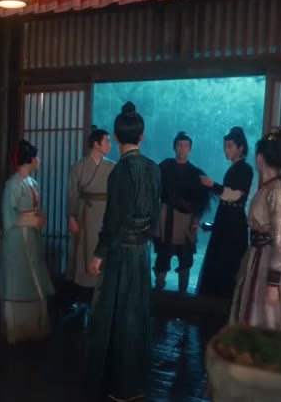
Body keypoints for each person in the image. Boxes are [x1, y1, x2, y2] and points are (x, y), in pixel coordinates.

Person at [87, 102, 161, 401]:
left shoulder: (119, 172)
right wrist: (144, 237)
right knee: (137, 313)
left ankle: (118, 383)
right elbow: (155, 213)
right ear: (142, 136)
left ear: (116, 137)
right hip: (141, 251)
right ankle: (136, 382)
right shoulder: (153, 168)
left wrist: (99, 253)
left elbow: (114, 219)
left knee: (116, 315)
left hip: (120, 253)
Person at [229, 128, 281, 331]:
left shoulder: (277, 191)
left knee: (266, 317)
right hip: (258, 257)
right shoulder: (268, 188)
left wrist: (274, 283)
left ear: (260, 157)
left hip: (269, 262)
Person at [0, 139, 55, 344]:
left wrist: (38, 217)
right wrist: (30, 219)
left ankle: (34, 327)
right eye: (36, 157)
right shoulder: (13, 183)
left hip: (31, 235)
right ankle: (16, 329)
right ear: (29, 159)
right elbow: (7, 213)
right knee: (18, 278)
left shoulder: (31, 182)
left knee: (34, 275)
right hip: (17, 237)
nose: (39, 160)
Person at [198, 127, 254, 299]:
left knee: (229, 263)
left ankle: (225, 303)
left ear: (241, 148)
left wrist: (212, 185)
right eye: (225, 146)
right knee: (218, 262)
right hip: (225, 220)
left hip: (234, 224)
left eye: (230, 146)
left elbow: (234, 195)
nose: (226, 150)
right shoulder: (233, 169)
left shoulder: (246, 169)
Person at [153, 132, 211, 292]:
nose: (182, 148)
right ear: (174, 147)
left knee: (185, 258)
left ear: (190, 149)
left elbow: (200, 200)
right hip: (165, 218)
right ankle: (159, 290)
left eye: (186, 145)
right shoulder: (164, 166)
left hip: (187, 220)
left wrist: (196, 218)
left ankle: (183, 292)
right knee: (163, 256)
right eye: (179, 145)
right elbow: (153, 187)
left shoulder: (195, 172)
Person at [66, 126, 115, 310]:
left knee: (102, 249)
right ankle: (83, 294)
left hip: (105, 213)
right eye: (107, 141)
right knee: (85, 250)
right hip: (85, 213)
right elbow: (72, 194)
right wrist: (71, 217)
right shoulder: (78, 166)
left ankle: (101, 294)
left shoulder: (112, 166)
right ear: (96, 144)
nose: (110, 145)